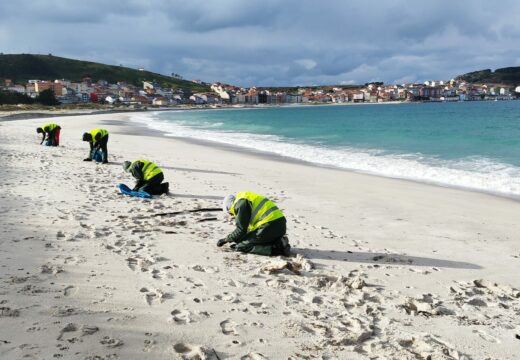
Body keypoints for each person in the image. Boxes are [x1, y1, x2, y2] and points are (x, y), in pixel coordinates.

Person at [218, 191, 290, 256]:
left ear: (229, 207)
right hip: (280, 224)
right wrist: (237, 238)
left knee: (241, 246)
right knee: (248, 240)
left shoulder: (240, 205)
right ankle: (278, 241)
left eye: (231, 214)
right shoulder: (245, 198)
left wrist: (226, 239)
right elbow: (248, 230)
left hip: (269, 225)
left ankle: (278, 249)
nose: (233, 215)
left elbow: (241, 229)